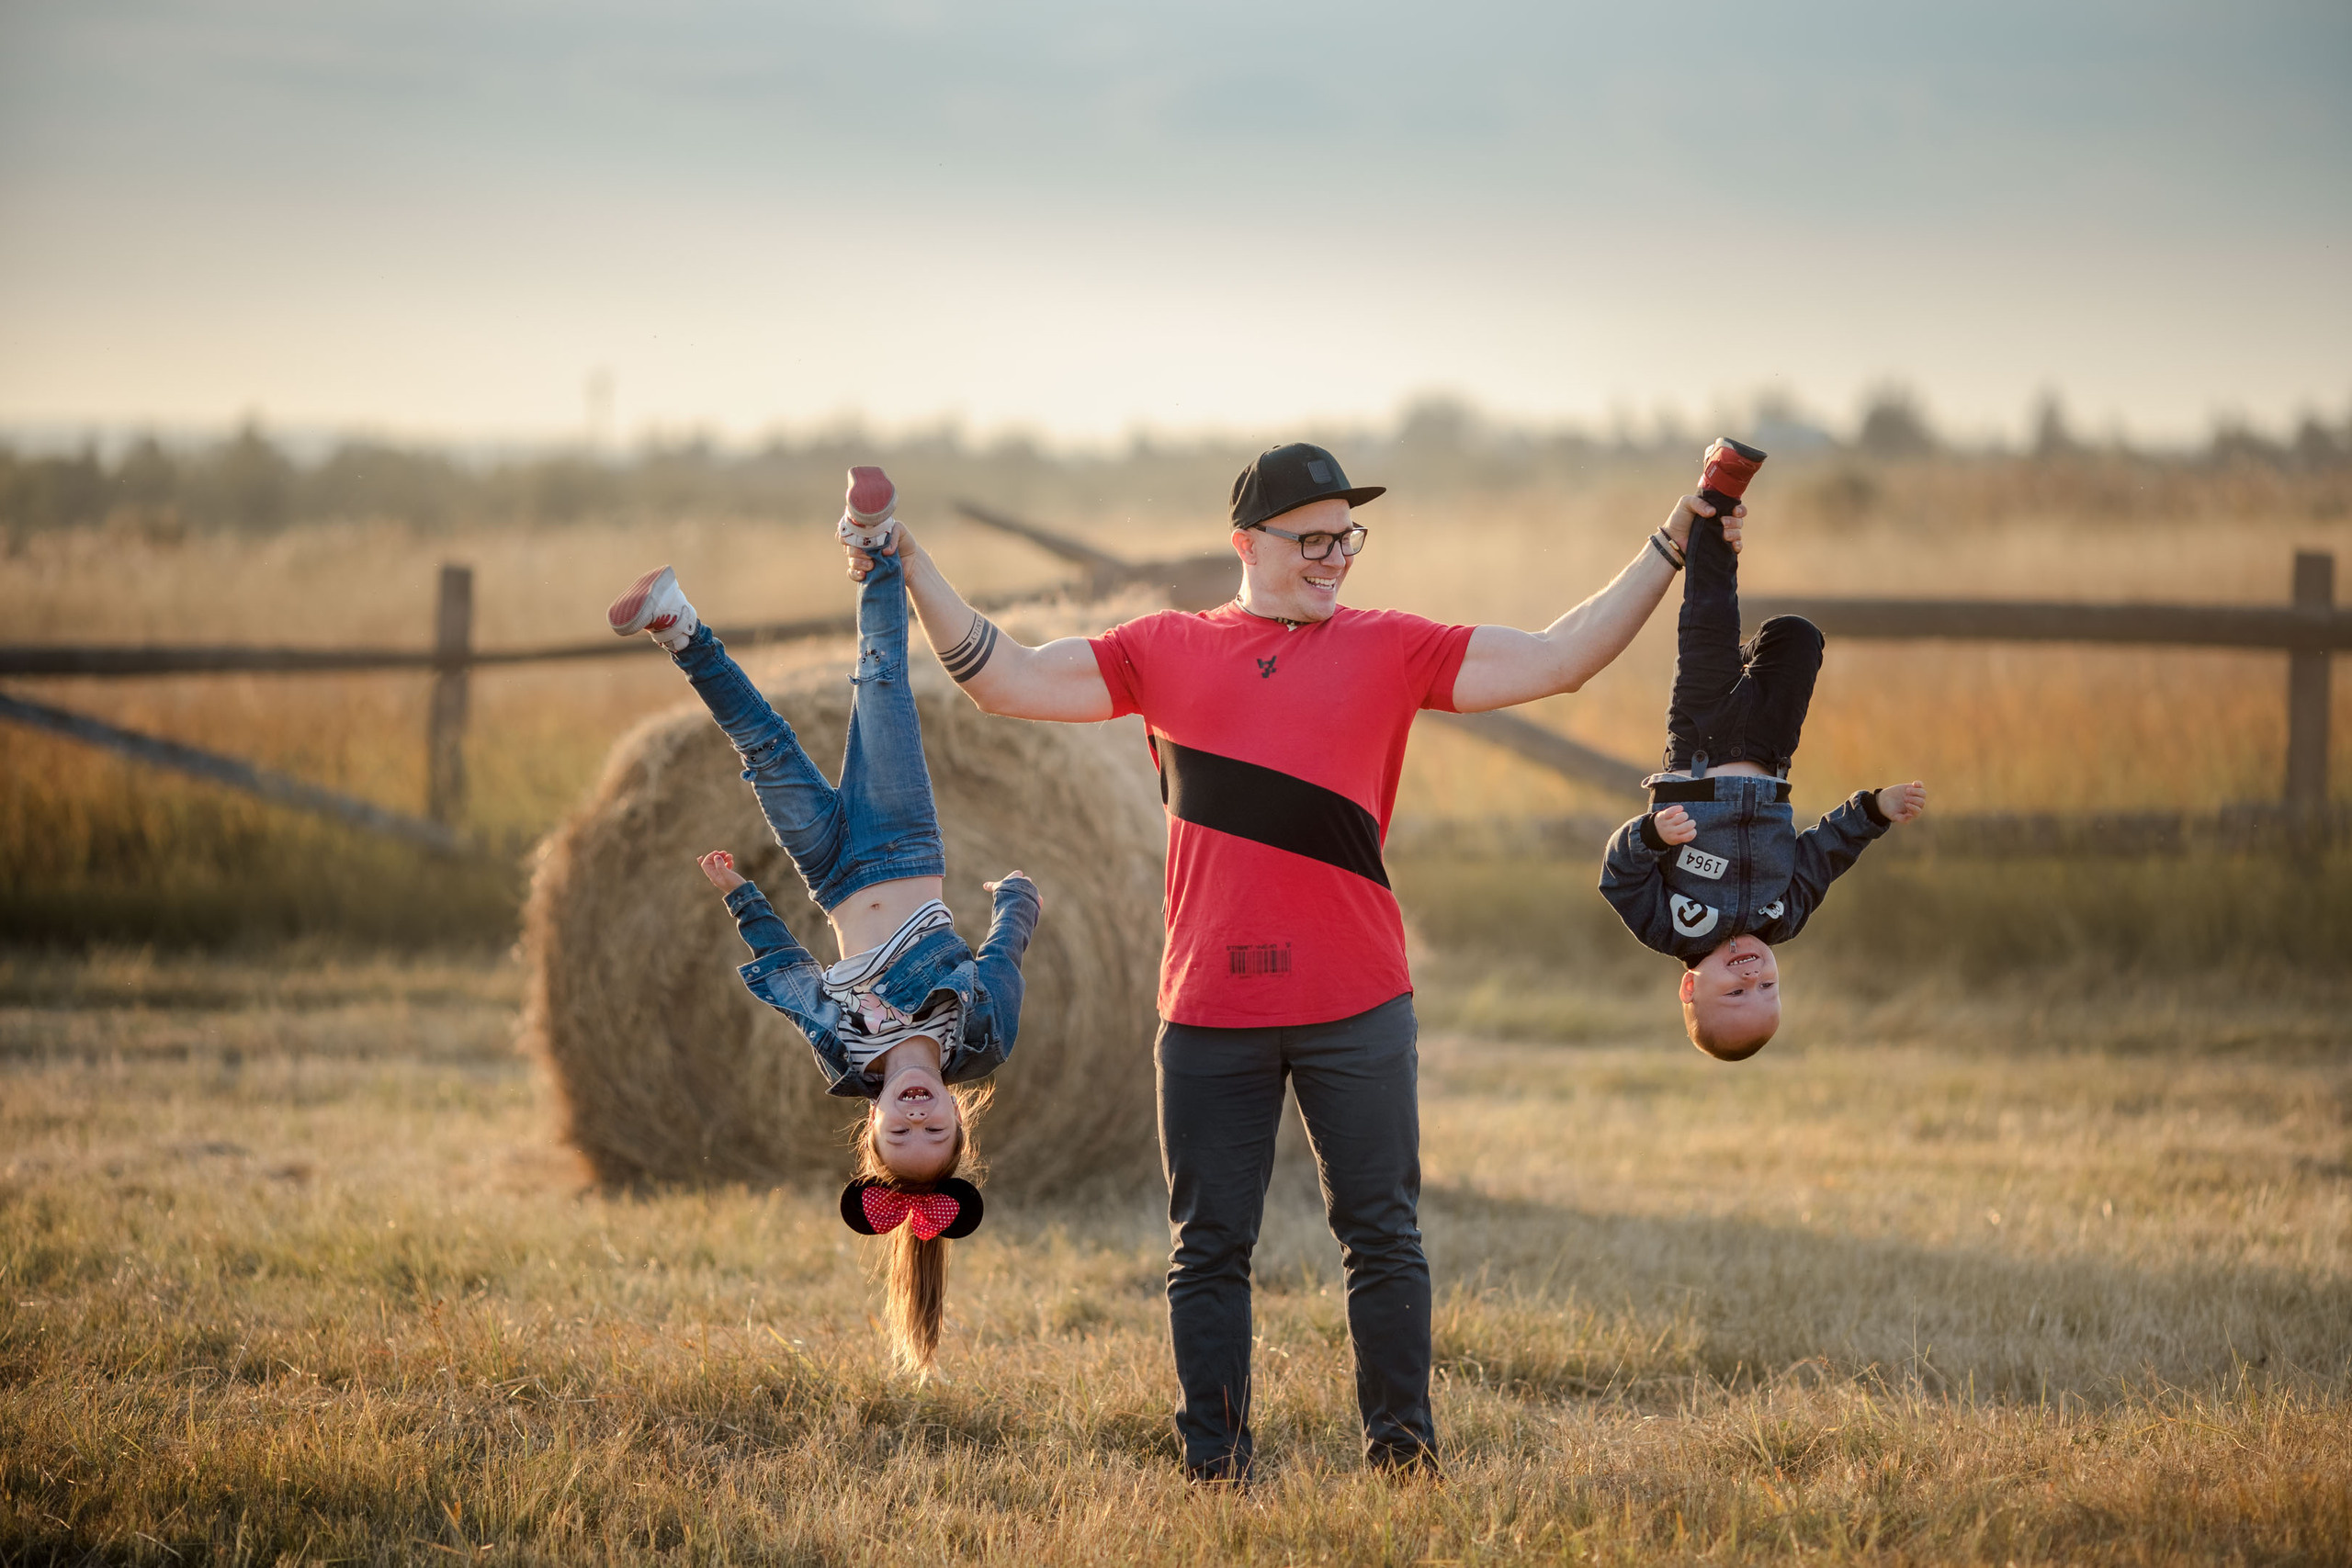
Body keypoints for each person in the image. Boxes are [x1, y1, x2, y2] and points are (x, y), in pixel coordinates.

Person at [842, 440, 1736, 1480]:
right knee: (1209, 1247)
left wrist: (1672, 542)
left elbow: (1560, 656)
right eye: (1311, 538)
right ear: (1246, 543)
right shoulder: (1163, 647)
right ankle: (1214, 1467)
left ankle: (1402, 1457)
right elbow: (1005, 678)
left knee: (1382, 1237)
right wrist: (908, 561)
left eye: (1345, 538)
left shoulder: (1393, 646)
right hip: (1209, 1008)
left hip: (1357, 1002)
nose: (1333, 558)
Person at [608, 465, 1042, 1372]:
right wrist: (1016, 901)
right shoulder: (979, 1033)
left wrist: (743, 901)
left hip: (830, 875)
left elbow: (798, 979)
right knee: (880, 682)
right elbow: (1004, 958)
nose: (916, 1121)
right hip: (902, 842)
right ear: (961, 1126)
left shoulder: (843, 1053)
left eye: (900, 1137)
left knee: (758, 740)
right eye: (935, 1135)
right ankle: (873, 544)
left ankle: (675, 622)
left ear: (872, 1128)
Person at [1599, 439, 1927, 1061]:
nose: (1753, 972)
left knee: (1709, 619)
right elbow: (1826, 852)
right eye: (1768, 986)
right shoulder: (1786, 914)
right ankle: (1723, 568)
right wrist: (1875, 811)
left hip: (1696, 745)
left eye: (1736, 991)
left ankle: (1720, 491)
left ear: (1690, 988)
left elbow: (1617, 878)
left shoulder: (1666, 928)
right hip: (1771, 755)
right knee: (1798, 637)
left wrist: (1651, 838)